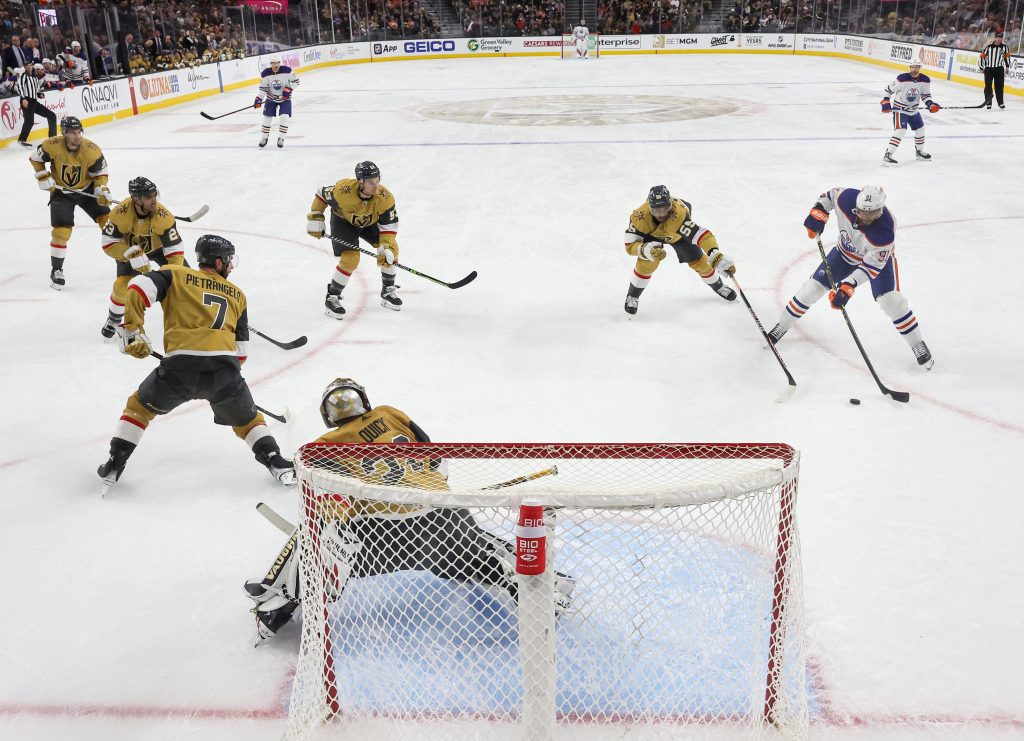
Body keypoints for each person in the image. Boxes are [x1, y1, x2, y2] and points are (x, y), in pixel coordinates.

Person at [244, 379, 576, 643]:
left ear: (328, 415)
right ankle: (538, 586)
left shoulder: (321, 446)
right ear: (364, 401)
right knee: (471, 556)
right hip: (442, 515)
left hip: (381, 535)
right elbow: (435, 456)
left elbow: (321, 499)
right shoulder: (389, 414)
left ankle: (278, 603)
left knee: (313, 538)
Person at [97, 235, 296, 491]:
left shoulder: (175, 275)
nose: (232, 266)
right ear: (218, 261)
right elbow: (241, 352)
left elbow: (137, 287)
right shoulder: (238, 295)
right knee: (247, 420)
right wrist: (226, 379)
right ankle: (275, 461)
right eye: (229, 260)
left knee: (138, 409)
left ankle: (115, 463)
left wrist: (133, 330)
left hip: (179, 369)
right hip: (224, 371)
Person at [767, 186, 933, 369]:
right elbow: (829, 196)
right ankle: (782, 325)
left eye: (871, 213)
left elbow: (870, 267)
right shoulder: (847, 198)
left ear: (881, 209)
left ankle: (917, 344)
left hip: (877, 263)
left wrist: (848, 285)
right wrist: (819, 212)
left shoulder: (884, 232)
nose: (865, 217)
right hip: (843, 255)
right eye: (862, 212)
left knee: (891, 301)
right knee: (812, 288)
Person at [621, 185, 737, 316]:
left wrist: (714, 252)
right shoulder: (639, 217)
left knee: (701, 263)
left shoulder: (679, 215)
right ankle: (632, 296)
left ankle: (719, 286)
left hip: (677, 235)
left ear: (670, 204)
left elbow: (702, 235)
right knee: (646, 263)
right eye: (656, 210)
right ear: (649, 207)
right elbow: (629, 245)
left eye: (665, 209)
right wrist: (645, 249)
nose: (661, 214)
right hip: (652, 236)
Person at [307, 161, 402, 317]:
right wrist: (316, 217)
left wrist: (386, 247)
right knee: (351, 259)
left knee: (391, 250)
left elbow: (389, 227)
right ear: (360, 181)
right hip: (343, 222)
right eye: (371, 182)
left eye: (378, 180)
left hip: (368, 223)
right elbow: (321, 194)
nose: (376, 186)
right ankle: (332, 297)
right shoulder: (344, 190)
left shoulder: (385, 197)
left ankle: (387, 290)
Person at [29, 116, 112, 290]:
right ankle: (56, 270)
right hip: (62, 192)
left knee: (109, 223)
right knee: (61, 232)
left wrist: (101, 189)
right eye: (72, 133)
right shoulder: (51, 145)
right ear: (64, 134)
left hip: (87, 190)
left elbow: (100, 174)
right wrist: (43, 175)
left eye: (79, 132)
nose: (77, 136)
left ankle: (126, 262)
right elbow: (35, 159)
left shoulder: (91, 150)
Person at [97, 177, 186, 338]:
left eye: (154, 195)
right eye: (148, 197)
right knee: (121, 287)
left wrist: (175, 274)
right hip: (129, 251)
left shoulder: (163, 217)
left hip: (158, 250)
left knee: (185, 282)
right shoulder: (120, 213)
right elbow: (108, 243)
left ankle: (195, 318)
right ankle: (114, 319)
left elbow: (175, 252)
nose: (154, 201)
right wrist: (130, 253)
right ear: (136, 199)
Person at [880, 56, 941, 165]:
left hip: (913, 111)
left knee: (920, 130)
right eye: (913, 67)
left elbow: (925, 95)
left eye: (917, 67)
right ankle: (888, 155)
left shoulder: (925, 80)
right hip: (900, 110)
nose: (915, 69)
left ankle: (919, 152)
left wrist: (930, 104)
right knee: (901, 131)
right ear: (910, 67)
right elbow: (888, 90)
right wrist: (885, 101)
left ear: (920, 68)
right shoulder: (902, 78)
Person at [254, 55, 298, 148]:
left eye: (277, 63)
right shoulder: (265, 74)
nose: (276, 65)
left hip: (285, 99)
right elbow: (263, 89)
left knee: (284, 118)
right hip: (271, 99)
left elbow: (296, 81)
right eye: (274, 63)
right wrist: (259, 99)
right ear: (271, 64)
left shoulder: (287, 71)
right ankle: (264, 137)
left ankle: (281, 138)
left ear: (280, 63)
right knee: (266, 119)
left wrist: (289, 89)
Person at [15, 63, 57, 147]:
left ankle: (52, 138)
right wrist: (23, 98)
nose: (29, 66)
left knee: (52, 115)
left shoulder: (34, 77)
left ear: (32, 66)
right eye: (27, 65)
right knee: (29, 121)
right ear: (25, 66)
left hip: (34, 102)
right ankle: (21, 140)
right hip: (26, 101)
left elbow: (36, 90)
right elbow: (19, 87)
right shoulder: (23, 76)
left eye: (30, 65)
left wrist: (39, 94)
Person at [979, 31, 1010, 109]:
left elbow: (1007, 57)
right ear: (995, 38)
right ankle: (988, 102)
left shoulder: (1005, 47)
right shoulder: (988, 47)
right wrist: (981, 67)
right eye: (998, 37)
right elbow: (982, 56)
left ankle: (1000, 103)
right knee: (988, 86)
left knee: (999, 86)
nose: (999, 39)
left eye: (1000, 38)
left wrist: (1007, 67)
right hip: (989, 69)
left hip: (999, 69)